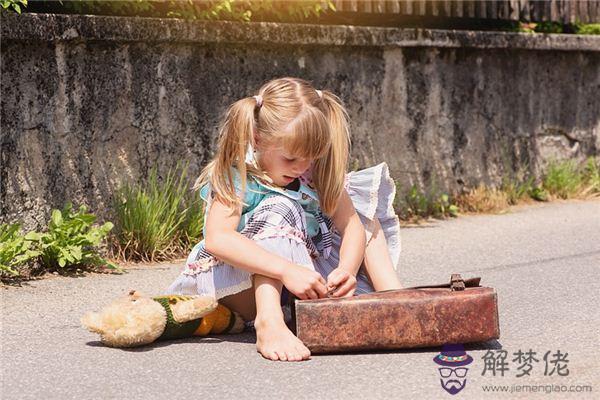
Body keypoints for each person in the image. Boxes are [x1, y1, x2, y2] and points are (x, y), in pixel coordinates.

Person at [165, 77, 402, 361]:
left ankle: (394, 298)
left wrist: (347, 271)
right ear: (257, 139)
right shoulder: (240, 176)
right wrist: (286, 270)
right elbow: (218, 238)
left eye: (311, 158)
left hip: (302, 284)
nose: (302, 167)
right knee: (279, 206)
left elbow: (351, 225)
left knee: (366, 217)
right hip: (241, 287)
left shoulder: (313, 174)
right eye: (291, 159)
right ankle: (270, 322)